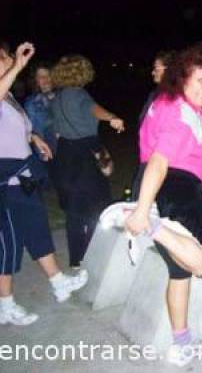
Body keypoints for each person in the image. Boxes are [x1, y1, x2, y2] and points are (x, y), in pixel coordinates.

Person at [125, 44, 202, 367]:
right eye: (200, 80)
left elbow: (182, 151)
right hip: (171, 187)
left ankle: (181, 344)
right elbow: (160, 160)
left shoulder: (173, 102)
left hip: (169, 184)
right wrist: (143, 212)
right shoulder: (180, 113)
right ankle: (151, 223)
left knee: (180, 270)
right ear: (182, 78)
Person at [0, 41, 88, 326]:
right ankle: (5, 305)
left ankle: (58, 281)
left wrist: (34, 138)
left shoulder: (9, 96)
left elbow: (19, 128)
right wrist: (17, 67)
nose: (8, 61)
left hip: (22, 178)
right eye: (4, 58)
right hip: (6, 182)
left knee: (37, 227)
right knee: (8, 244)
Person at [50, 54, 125, 268]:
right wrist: (111, 117)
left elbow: (56, 128)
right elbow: (94, 109)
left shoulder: (58, 97)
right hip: (85, 153)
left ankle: (76, 259)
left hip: (64, 154)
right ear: (83, 72)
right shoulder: (79, 93)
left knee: (74, 210)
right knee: (97, 206)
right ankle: (94, 255)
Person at [132, 50, 175, 199]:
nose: (152, 72)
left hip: (160, 163)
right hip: (148, 159)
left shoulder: (174, 98)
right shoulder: (157, 94)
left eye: (156, 69)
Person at [24, 63, 57, 185]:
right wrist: (42, 154)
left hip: (66, 146)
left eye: (48, 76)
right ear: (35, 80)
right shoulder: (32, 102)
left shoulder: (61, 96)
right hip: (47, 149)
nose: (45, 80)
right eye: (41, 76)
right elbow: (33, 129)